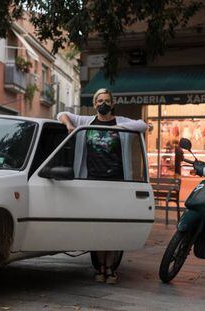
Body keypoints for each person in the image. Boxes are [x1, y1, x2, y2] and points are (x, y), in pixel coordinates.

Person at [57, 88, 147, 284]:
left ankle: (110, 268)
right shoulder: (86, 122)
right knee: (98, 228)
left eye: (106, 100)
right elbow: (60, 114)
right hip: (91, 183)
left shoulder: (120, 121)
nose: (103, 104)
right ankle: (101, 268)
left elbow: (143, 125)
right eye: (99, 101)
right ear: (95, 103)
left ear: (112, 103)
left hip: (117, 183)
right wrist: (70, 126)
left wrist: (121, 129)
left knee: (113, 228)